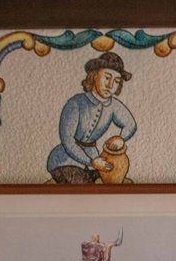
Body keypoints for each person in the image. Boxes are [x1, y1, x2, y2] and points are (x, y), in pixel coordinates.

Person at [47, 51, 137, 185]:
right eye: (107, 78)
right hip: (65, 160)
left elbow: (131, 124)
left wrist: (121, 138)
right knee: (85, 185)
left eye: (116, 81)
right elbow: (67, 140)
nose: (110, 85)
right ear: (94, 76)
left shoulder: (113, 105)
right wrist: (91, 161)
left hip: (94, 160)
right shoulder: (76, 103)